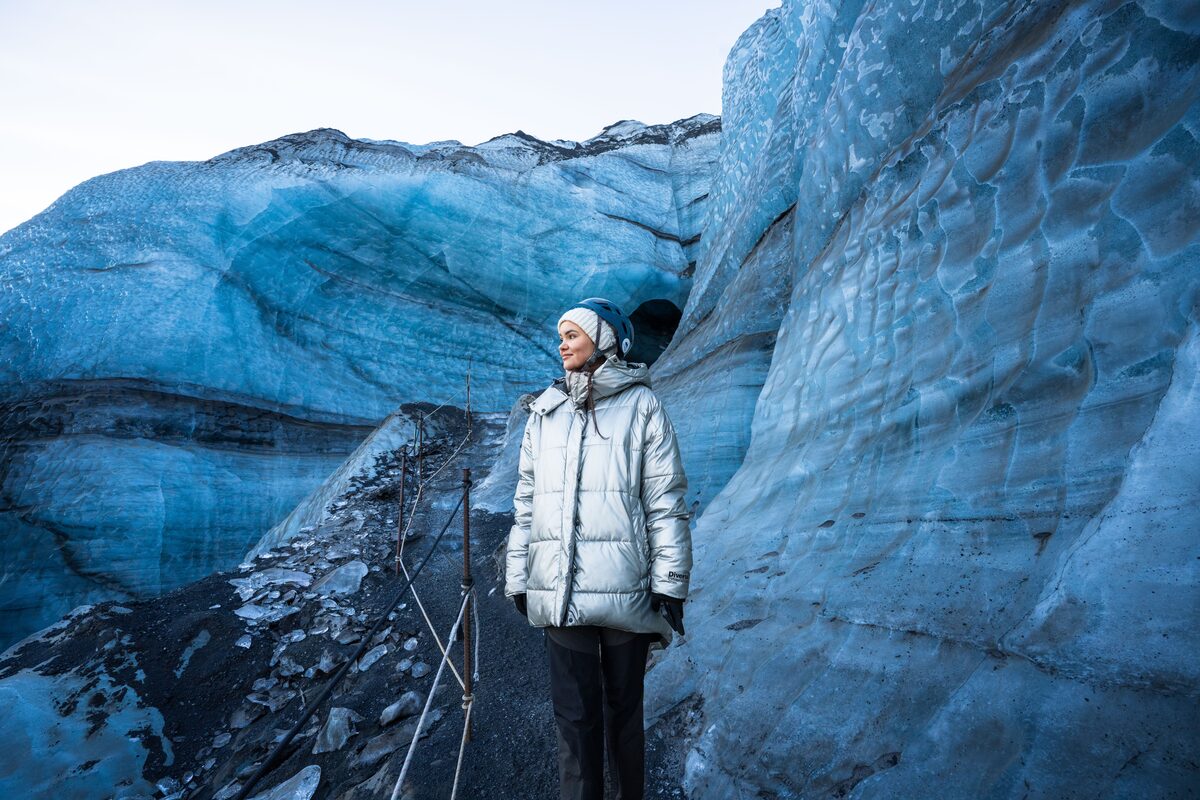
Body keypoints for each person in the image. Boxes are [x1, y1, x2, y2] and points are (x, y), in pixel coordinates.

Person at [504, 297, 692, 800]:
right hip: (561, 593)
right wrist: (519, 575)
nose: (562, 344)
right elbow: (527, 504)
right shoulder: (543, 414)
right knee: (574, 722)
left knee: (624, 718)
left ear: (603, 338)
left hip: (626, 592)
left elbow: (664, 499)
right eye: (560, 336)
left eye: (572, 334)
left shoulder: (642, 406)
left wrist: (670, 582)